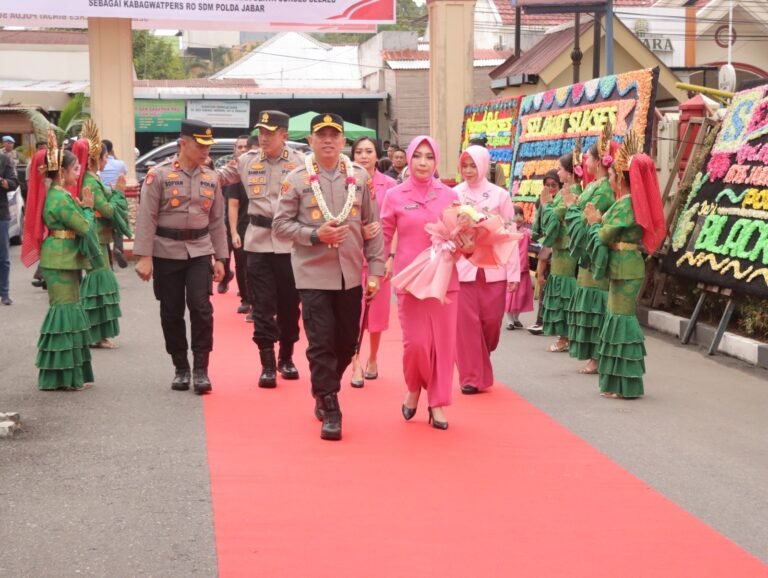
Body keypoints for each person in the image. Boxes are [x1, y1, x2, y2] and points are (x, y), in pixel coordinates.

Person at [273, 113, 385, 441]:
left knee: (347, 342)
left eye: (333, 135)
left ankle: (324, 387)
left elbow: (372, 226)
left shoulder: (359, 177)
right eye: (320, 135)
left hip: (350, 274)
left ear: (342, 141)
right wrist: (314, 234)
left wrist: (376, 271)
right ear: (310, 141)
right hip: (313, 275)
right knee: (321, 341)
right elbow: (279, 226)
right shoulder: (296, 179)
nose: (327, 141)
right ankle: (331, 405)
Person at [133, 119, 228, 395]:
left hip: (199, 251)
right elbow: (147, 217)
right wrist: (144, 256)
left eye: (208, 146)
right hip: (166, 252)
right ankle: (181, 367)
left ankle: (201, 369)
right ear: (183, 144)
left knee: (201, 308)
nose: (206, 151)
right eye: (200, 146)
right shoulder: (159, 175)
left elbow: (216, 221)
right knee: (171, 311)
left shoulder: (212, 178)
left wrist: (221, 258)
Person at [381, 136, 467, 430]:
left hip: (445, 281)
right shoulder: (395, 195)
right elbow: (384, 236)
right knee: (416, 345)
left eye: (429, 157)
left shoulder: (450, 196)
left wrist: (467, 245)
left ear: (436, 161)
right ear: (408, 158)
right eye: (417, 155)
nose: (423, 162)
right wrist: (377, 269)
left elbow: (463, 236)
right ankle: (414, 387)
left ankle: (437, 402)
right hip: (410, 281)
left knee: (442, 346)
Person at [218, 111, 305, 387]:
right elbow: (217, 177)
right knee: (262, 306)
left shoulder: (301, 162)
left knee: (290, 306)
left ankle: (286, 357)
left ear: (284, 135)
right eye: (261, 132)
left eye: (270, 133)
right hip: (257, 243)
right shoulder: (246, 161)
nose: (264, 138)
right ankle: (267, 364)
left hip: (290, 245)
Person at [584, 134, 665, 399]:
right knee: (617, 319)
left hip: (625, 267)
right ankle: (618, 382)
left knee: (621, 320)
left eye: (613, 174)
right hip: (625, 266)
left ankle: (625, 385)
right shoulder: (629, 203)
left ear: (621, 178)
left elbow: (604, 235)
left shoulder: (626, 204)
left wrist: (594, 221)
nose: (610, 178)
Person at [22, 139, 103, 390]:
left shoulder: (61, 195)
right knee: (64, 313)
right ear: (62, 172)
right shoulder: (60, 198)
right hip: (60, 259)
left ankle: (66, 375)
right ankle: (61, 377)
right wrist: (88, 209)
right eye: (75, 169)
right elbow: (85, 227)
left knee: (69, 312)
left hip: (63, 257)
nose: (79, 172)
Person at [453, 145, 520, 395]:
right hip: (464, 268)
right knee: (466, 327)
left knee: (491, 323)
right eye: (465, 166)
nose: (469, 170)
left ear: (483, 165)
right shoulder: (454, 194)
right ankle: (470, 377)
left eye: (473, 165)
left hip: (494, 269)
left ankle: (481, 359)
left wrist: (514, 273)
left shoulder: (500, 195)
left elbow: (510, 233)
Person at [71, 121, 130, 349]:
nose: (107, 161)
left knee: (100, 283)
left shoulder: (92, 179)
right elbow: (108, 210)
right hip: (95, 237)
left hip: (99, 237)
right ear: (94, 159)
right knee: (98, 285)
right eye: (104, 158)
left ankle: (98, 334)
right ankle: (96, 335)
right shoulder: (91, 182)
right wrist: (119, 193)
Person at [563, 132, 616, 374]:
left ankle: (597, 357)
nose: (586, 162)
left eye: (589, 158)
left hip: (594, 251)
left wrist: (572, 207)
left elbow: (589, 220)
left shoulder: (604, 191)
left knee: (596, 306)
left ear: (599, 161)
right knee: (587, 302)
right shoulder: (593, 185)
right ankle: (593, 356)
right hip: (586, 252)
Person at [348, 136, 397, 388]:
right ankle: (354, 360)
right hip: (351, 256)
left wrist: (391, 258)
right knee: (351, 313)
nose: (364, 156)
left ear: (378, 155)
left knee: (376, 313)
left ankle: (373, 358)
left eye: (369, 151)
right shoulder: (346, 182)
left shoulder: (390, 185)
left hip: (380, 256)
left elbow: (397, 225)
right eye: (359, 152)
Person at [538, 152, 582, 352]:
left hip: (565, 247)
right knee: (561, 287)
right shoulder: (568, 190)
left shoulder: (571, 192)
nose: (558, 171)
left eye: (561, 169)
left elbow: (554, 217)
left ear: (570, 172)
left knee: (564, 289)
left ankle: (565, 337)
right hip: (561, 246)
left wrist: (546, 205)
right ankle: (565, 336)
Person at [526, 170, 560, 335]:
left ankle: (550, 323)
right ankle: (541, 321)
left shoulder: (560, 204)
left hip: (559, 248)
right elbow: (538, 229)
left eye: (554, 185)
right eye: (547, 185)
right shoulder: (541, 202)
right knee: (544, 283)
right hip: (547, 245)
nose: (550, 188)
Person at [222, 135, 251, 314]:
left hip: (261, 227)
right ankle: (246, 299)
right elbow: (232, 203)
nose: (243, 150)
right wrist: (233, 231)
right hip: (239, 225)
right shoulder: (235, 174)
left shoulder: (259, 170)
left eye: (246, 147)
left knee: (257, 267)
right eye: (239, 147)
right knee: (241, 263)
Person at [100, 139, 129, 268]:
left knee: (103, 227)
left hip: (102, 198)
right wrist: (114, 155)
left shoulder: (98, 166)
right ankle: (118, 248)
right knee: (119, 223)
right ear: (111, 150)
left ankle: (108, 261)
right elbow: (124, 172)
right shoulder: (119, 164)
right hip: (116, 195)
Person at [506, 205, 534, 329]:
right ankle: (510, 321)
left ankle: (516, 318)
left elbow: (536, 239)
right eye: (515, 215)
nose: (518, 218)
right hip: (510, 269)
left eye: (520, 215)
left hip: (523, 268)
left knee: (521, 295)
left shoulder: (526, 232)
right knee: (510, 296)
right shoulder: (507, 232)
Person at [0, 151, 19, 305]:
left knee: (3, 257)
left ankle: (4, 293)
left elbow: (14, 183)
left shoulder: (4, 160)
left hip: (1, 215)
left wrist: (2, 181)